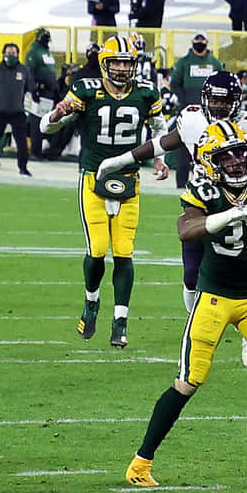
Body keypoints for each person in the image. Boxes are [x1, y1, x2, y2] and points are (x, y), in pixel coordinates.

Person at [124, 122, 247, 490]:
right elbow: (185, 228)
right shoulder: (204, 186)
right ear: (211, 162)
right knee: (188, 381)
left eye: (242, 152)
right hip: (214, 297)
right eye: (226, 156)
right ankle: (140, 464)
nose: (237, 160)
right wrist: (227, 216)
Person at [97, 69, 247, 312]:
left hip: (240, 201)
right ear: (205, 99)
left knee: (243, 268)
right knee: (191, 273)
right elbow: (162, 144)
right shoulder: (193, 120)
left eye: (225, 101)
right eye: (214, 100)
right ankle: (195, 320)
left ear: (236, 101)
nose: (219, 107)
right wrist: (120, 160)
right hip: (203, 199)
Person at [40, 35, 167, 348]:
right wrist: (55, 115)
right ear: (104, 63)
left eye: (128, 62)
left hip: (129, 179)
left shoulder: (146, 92)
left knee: (124, 251)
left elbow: (160, 128)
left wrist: (160, 158)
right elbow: (47, 128)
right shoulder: (85, 90)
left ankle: (121, 319)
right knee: (97, 249)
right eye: (118, 62)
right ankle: (91, 301)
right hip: (93, 179)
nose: (123, 68)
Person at [169, 33, 224, 187]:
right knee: (183, 152)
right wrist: (184, 101)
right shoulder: (184, 63)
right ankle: (180, 187)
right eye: (197, 40)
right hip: (187, 113)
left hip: (209, 115)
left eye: (202, 40)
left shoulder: (214, 63)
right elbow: (175, 83)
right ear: (193, 42)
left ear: (207, 42)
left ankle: (206, 186)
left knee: (209, 150)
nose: (200, 43)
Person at [0, 42, 32, 177]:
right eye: (8, 53)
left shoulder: (24, 70)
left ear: (17, 54)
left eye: (13, 53)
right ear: (3, 54)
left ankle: (23, 168)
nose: (10, 55)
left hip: (18, 111)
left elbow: (29, 88)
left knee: (21, 142)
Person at [24, 27, 58, 160]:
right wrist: (33, 90)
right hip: (39, 92)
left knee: (48, 122)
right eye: (44, 35)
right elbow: (30, 72)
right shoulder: (33, 52)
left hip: (49, 93)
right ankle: (35, 152)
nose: (47, 37)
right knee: (37, 123)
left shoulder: (47, 52)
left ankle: (45, 150)